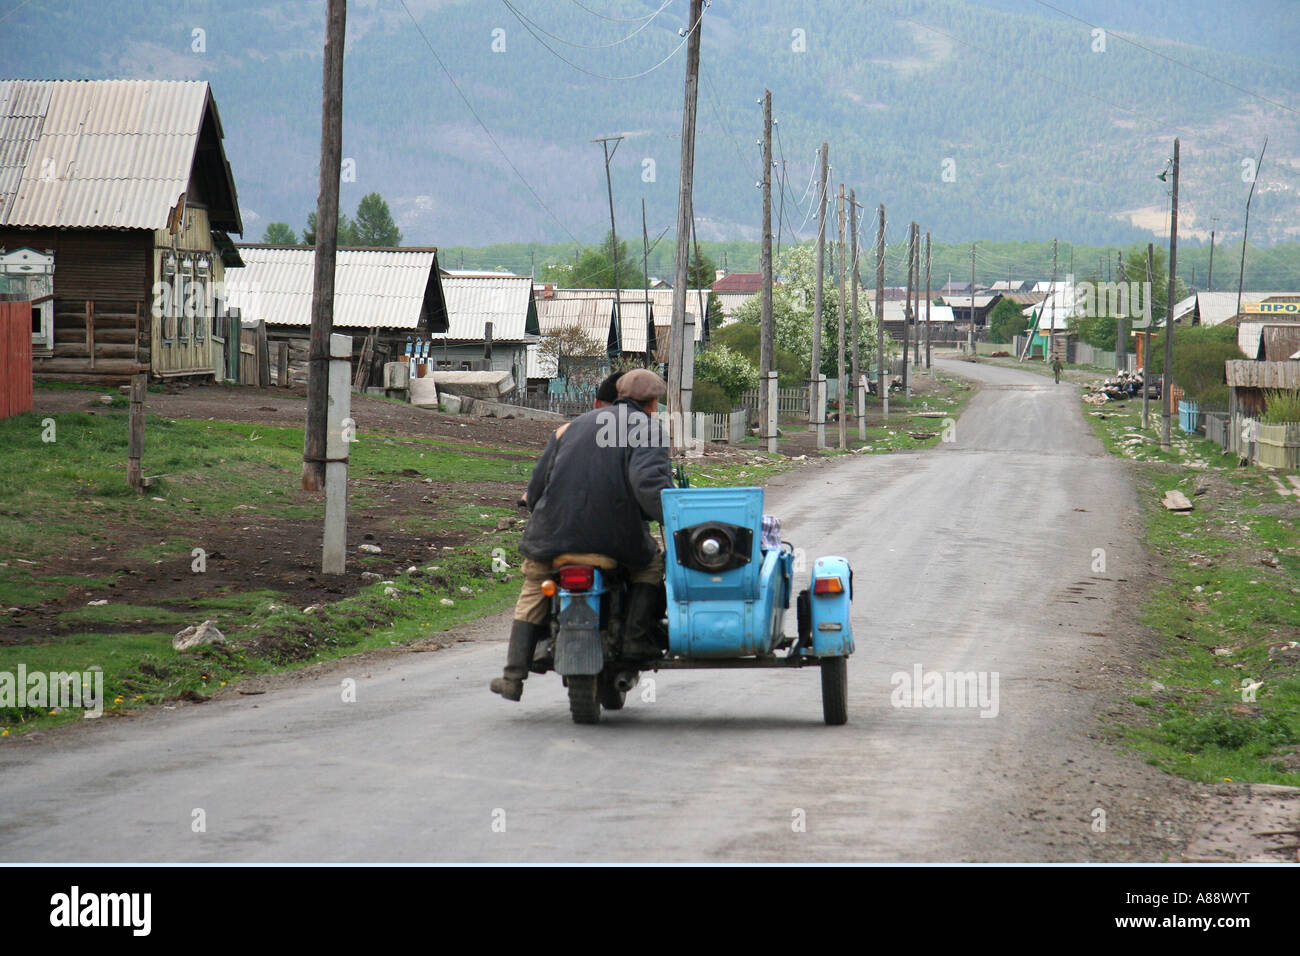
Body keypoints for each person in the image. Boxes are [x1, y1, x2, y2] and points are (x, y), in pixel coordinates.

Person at [490, 369, 674, 701]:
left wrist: (542, 513)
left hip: (552, 537)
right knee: (650, 567)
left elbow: (535, 489)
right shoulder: (648, 428)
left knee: (534, 583)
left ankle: (513, 675)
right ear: (652, 402)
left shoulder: (572, 427)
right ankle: (634, 640)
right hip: (616, 540)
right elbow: (648, 485)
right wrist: (672, 518)